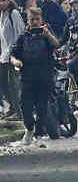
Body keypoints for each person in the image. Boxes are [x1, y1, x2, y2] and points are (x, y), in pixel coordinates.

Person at [9, 8, 60, 144]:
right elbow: (13, 54)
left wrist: (48, 34)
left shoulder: (46, 33)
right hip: (27, 77)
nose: (35, 22)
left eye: (37, 19)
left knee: (42, 106)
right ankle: (29, 128)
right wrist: (16, 61)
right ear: (28, 20)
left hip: (45, 76)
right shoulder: (23, 36)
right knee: (25, 105)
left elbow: (56, 44)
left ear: (41, 19)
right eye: (32, 19)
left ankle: (39, 132)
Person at [0, 0, 25, 120]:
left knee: (13, 84)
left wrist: (16, 54)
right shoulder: (2, 15)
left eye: (3, 0)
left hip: (13, 55)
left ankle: (18, 111)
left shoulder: (13, 14)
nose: (1, 3)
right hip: (3, 55)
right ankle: (12, 107)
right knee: (3, 84)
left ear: (9, 0)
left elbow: (20, 33)